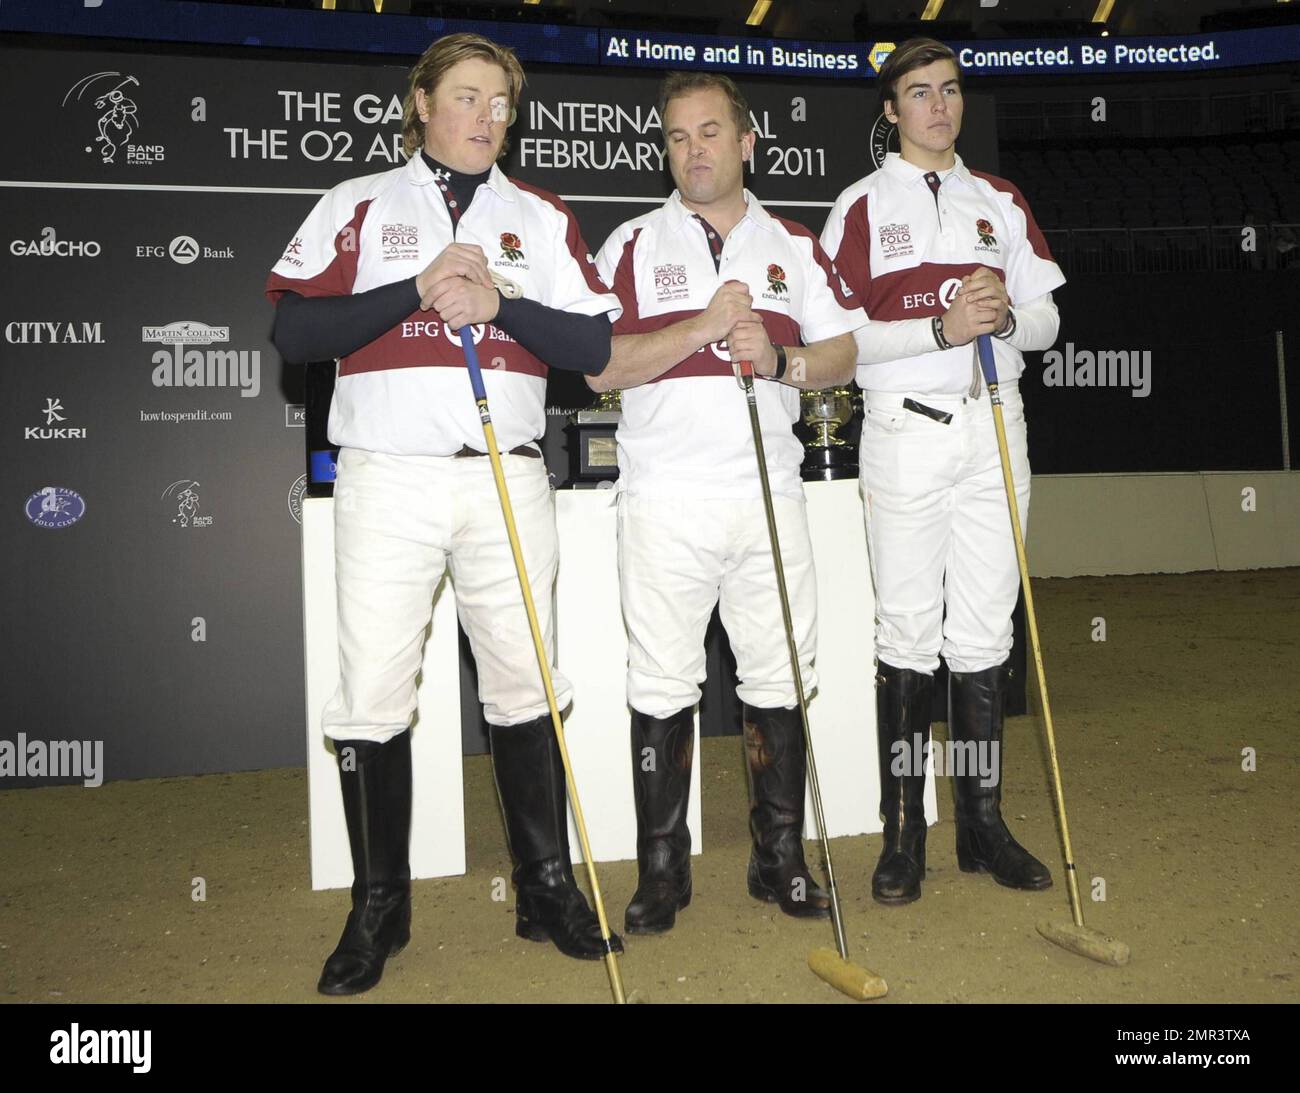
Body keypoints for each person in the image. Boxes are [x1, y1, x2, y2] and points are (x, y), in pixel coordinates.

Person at [266, 32, 623, 995]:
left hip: (505, 473)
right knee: (373, 695)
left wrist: (497, 300)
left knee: (525, 687)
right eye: (467, 97)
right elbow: (295, 328)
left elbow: (591, 341)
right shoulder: (359, 203)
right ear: (421, 102)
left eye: (502, 102)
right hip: (390, 477)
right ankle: (379, 906)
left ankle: (545, 888)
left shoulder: (539, 217)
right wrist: (416, 288)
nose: (487, 117)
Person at [591, 72, 864, 934]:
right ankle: (663, 871)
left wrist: (781, 359)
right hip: (665, 498)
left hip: (768, 495)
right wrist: (701, 329)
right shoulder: (630, 243)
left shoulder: (793, 243)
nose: (693, 149)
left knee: (779, 675)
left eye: (710, 132)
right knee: (662, 681)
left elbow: (846, 354)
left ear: (747, 143)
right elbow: (599, 369)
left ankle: (777, 859)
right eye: (676, 136)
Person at [820, 38, 1065, 905]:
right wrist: (941, 327)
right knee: (908, 633)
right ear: (890, 111)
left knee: (985, 635)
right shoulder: (857, 206)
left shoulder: (998, 198)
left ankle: (982, 823)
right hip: (907, 431)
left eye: (951, 91)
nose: (939, 106)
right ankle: (903, 832)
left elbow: (1047, 319)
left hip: (998, 427)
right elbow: (839, 345)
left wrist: (1002, 320)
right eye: (919, 93)